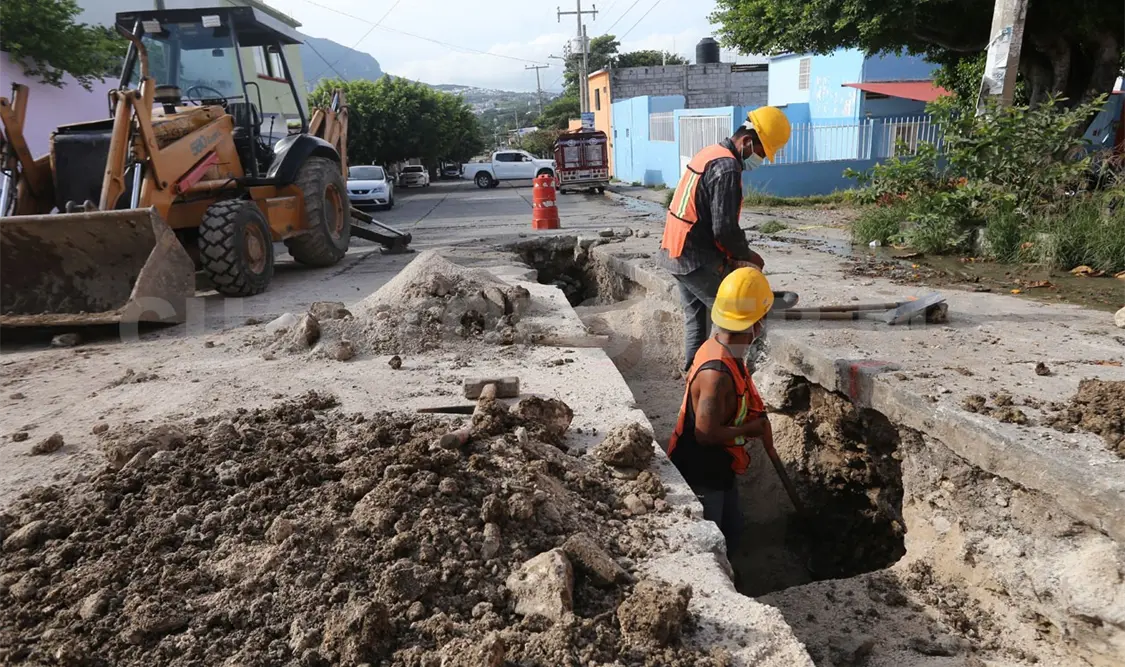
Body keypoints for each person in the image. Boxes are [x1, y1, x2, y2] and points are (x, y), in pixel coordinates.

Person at [657, 106, 791, 373]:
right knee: (740, 320)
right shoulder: (727, 167)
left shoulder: (710, 152)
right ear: (748, 141)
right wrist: (749, 257)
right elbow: (725, 230)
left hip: (675, 249)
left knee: (698, 320)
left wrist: (732, 258)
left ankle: (694, 378)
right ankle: (732, 384)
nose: (760, 160)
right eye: (761, 153)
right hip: (694, 258)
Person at [666, 267, 774, 555]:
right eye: (762, 320)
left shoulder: (724, 349)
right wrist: (748, 430)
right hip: (702, 470)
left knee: (734, 530)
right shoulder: (716, 374)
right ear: (755, 323)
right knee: (712, 544)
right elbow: (704, 434)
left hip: (721, 464)